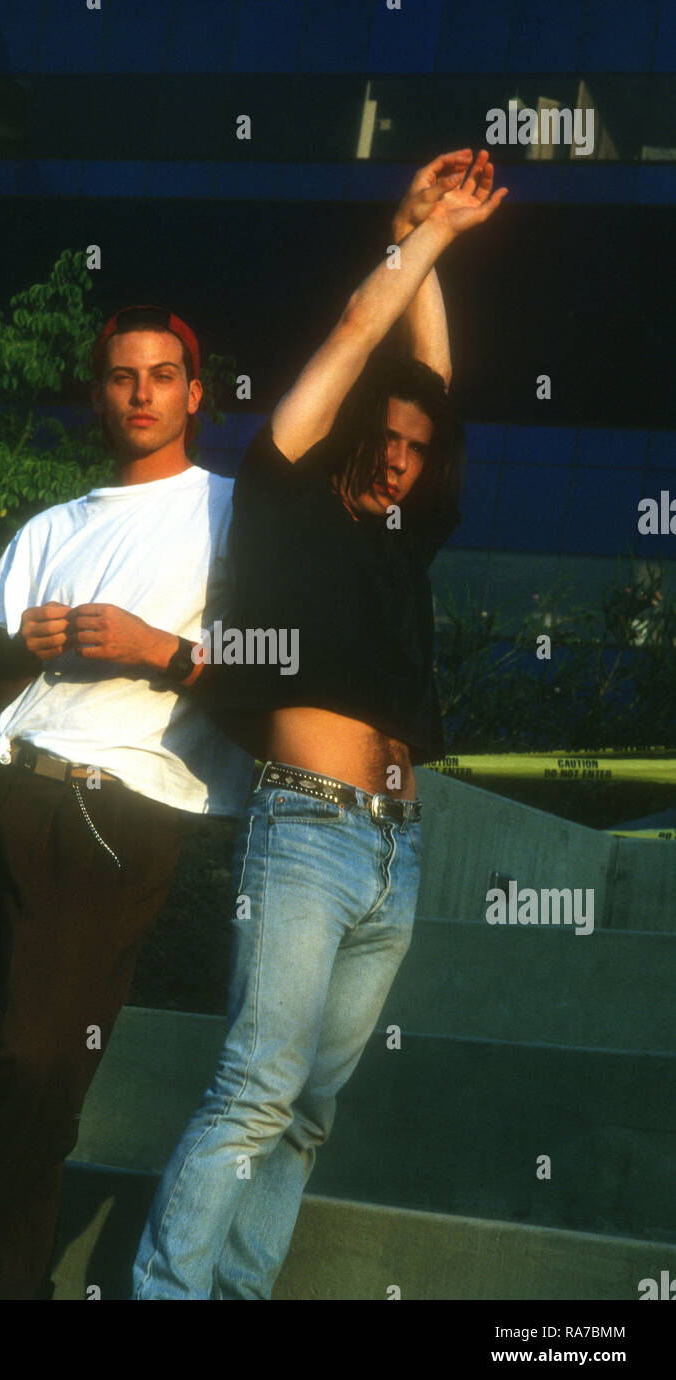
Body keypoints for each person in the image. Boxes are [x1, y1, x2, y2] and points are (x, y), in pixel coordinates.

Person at [132, 150, 508, 1299]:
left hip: (397, 853)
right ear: (346, 436)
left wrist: (422, 228)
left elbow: (431, 377)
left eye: (413, 449)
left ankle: (239, 1293)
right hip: (307, 833)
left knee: (308, 1112)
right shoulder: (285, 488)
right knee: (257, 1084)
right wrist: (424, 236)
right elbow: (362, 331)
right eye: (383, 441)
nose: (399, 458)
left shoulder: (406, 530)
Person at [0, 304, 253, 1299]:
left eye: (162, 374)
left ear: (196, 391)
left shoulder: (231, 512)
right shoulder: (52, 526)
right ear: (97, 393)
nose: (140, 393)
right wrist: (25, 650)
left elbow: (276, 670)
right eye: (121, 376)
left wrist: (162, 649)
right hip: (10, 794)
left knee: (40, 1057)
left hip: (117, 810)